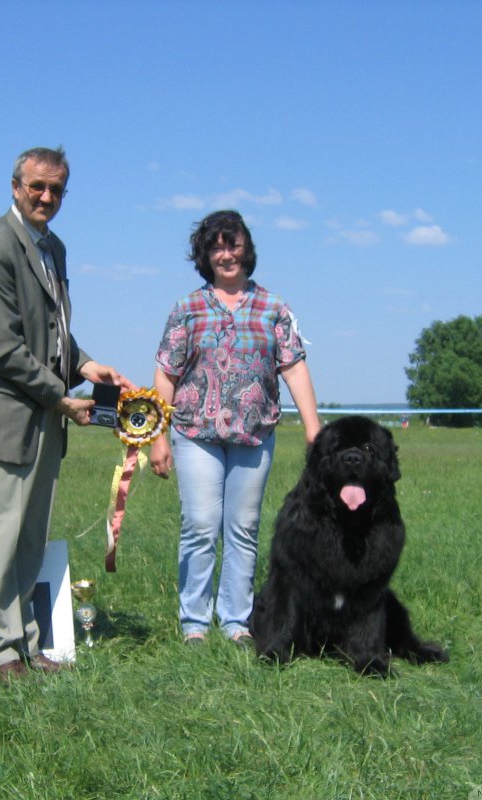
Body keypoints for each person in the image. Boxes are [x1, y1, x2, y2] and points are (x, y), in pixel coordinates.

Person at [0, 147, 135, 679]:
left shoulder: (53, 247)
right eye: (37, 187)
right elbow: (1, 349)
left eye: (56, 189)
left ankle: (28, 644)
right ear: (15, 186)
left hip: (43, 422)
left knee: (30, 539)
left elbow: (51, 333)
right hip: (4, 422)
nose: (46, 197)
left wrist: (87, 364)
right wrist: (61, 397)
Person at [150, 210, 321, 646]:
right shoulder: (187, 308)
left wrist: (313, 429)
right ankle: (194, 623)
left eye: (233, 244)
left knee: (243, 528)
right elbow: (166, 374)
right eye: (216, 246)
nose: (225, 254)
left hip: (255, 435)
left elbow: (294, 368)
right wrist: (157, 439)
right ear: (204, 255)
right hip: (194, 434)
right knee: (201, 525)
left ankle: (235, 622)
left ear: (247, 248)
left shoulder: (274, 308)